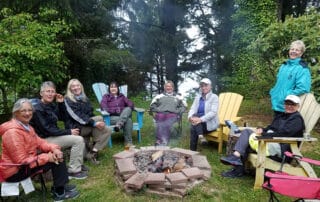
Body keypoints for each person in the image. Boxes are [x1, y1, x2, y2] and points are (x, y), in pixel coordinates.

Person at [0, 98, 79, 201]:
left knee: (57, 154)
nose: (28, 113)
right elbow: (21, 161)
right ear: (15, 113)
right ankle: (59, 193)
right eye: (23, 111)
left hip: (27, 165)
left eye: (30, 110)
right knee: (55, 160)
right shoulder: (12, 133)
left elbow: (40, 142)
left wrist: (54, 148)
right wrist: (47, 157)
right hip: (15, 171)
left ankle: (60, 186)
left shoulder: (26, 127)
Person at [220, 95, 305, 178]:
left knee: (246, 142)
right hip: (271, 142)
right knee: (246, 133)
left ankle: (237, 165)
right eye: (287, 103)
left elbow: (283, 134)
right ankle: (236, 159)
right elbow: (271, 127)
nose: (289, 106)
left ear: (298, 106)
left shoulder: (296, 119)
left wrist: (264, 135)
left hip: (282, 149)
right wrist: (262, 130)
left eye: (292, 104)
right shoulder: (282, 116)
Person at [30, 81, 88, 179]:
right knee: (78, 140)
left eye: (52, 91)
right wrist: (68, 132)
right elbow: (47, 130)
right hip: (43, 140)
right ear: (41, 93)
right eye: (48, 91)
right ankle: (74, 171)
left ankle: (77, 164)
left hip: (51, 136)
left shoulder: (50, 105)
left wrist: (60, 104)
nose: (50, 94)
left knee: (76, 137)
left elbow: (63, 118)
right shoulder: (37, 109)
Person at [64, 79, 111, 165]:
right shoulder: (67, 100)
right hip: (76, 128)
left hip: (86, 126)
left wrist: (98, 123)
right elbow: (77, 116)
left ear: (81, 86)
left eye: (77, 85)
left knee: (107, 130)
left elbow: (90, 113)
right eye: (73, 86)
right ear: (70, 88)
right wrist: (95, 123)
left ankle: (93, 152)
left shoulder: (85, 98)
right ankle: (92, 144)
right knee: (100, 118)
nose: (76, 87)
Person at [270, 40, 311, 117]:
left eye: (297, 50)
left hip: (288, 106)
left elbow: (304, 88)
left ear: (301, 53)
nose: (293, 51)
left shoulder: (302, 69)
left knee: (284, 128)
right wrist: (273, 92)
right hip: (276, 104)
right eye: (292, 49)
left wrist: (286, 95)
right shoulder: (284, 66)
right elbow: (279, 83)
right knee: (275, 127)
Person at [150, 80, 187, 146]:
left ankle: (164, 140)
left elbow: (184, 106)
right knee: (160, 117)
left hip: (173, 114)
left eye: (170, 86)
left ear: (173, 88)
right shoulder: (159, 96)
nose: (168, 88)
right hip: (161, 113)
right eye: (167, 86)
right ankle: (159, 140)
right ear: (164, 87)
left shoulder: (178, 97)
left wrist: (178, 111)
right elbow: (152, 105)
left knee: (167, 120)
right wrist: (158, 109)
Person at [188, 78, 219, 151]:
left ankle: (192, 151)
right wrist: (190, 117)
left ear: (210, 86)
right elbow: (192, 108)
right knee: (194, 122)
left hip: (209, 124)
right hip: (198, 123)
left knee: (193, 126)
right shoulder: (198, 97)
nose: (204, 87)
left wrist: (200, 119)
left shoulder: (214, 97)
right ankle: (201, 136)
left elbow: (213, 112)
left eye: (206, 85)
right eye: (202, 86)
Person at [100, 81, 134, 147]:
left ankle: (119, 124)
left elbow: (131, 104)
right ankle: (128, 143)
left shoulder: (122, 96)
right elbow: (103, 107)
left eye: (115, 87)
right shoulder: (106, 97)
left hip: (123, 115)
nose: (113, 88)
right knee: (128, 120)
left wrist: (122, 109)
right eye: (111, 87)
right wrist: (115, 110)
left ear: (117, 88)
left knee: (128, 108)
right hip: (111, 118)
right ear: (109, 89)